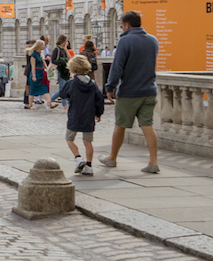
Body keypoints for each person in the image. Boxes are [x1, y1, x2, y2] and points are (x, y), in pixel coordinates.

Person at [99, 11, 161, 173]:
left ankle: (112, 157)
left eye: (121, 26)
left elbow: (117, 66)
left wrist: (110, 87)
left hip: (129, 91)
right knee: (148, 125)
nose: (122, 29)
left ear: (127, 25)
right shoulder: (153, 40)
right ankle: (153, 161)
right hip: (149, 89)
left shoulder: (125, 41)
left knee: (120, 125)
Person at [59, 54, 104, 175]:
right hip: (89, 115)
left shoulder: (71, 83)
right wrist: (98, 113)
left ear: (72, 68)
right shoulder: (93, 83)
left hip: (75, 114)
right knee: (88, 141)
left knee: (69, 138)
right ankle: (89, 165)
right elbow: (99, 99)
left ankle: (78, 158)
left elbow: (62, 94)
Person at [47, 35, 72, 110]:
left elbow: (69, 58)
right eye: (66, 40)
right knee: (63, 89)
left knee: (63, 89)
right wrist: (62, 60)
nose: (67, 42)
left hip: (65, 71)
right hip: (60, 70)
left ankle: (64, 105)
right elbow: (53, 60)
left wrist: (66, 49)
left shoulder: (63, 49)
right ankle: (50, 101)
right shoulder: (56, 49)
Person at [25, 39, 49, 109]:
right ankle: (30, 105)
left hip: (41, 73)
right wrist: (34, 76)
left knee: (45, 88)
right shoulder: (33, 54)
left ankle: (49, 103)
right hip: (36, 72)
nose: (44, 46)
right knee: (32, 89)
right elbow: (33, 66)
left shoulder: (40, 54)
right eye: (43, 45)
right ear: (39, 46)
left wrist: (47, 69)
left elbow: (43, 62)